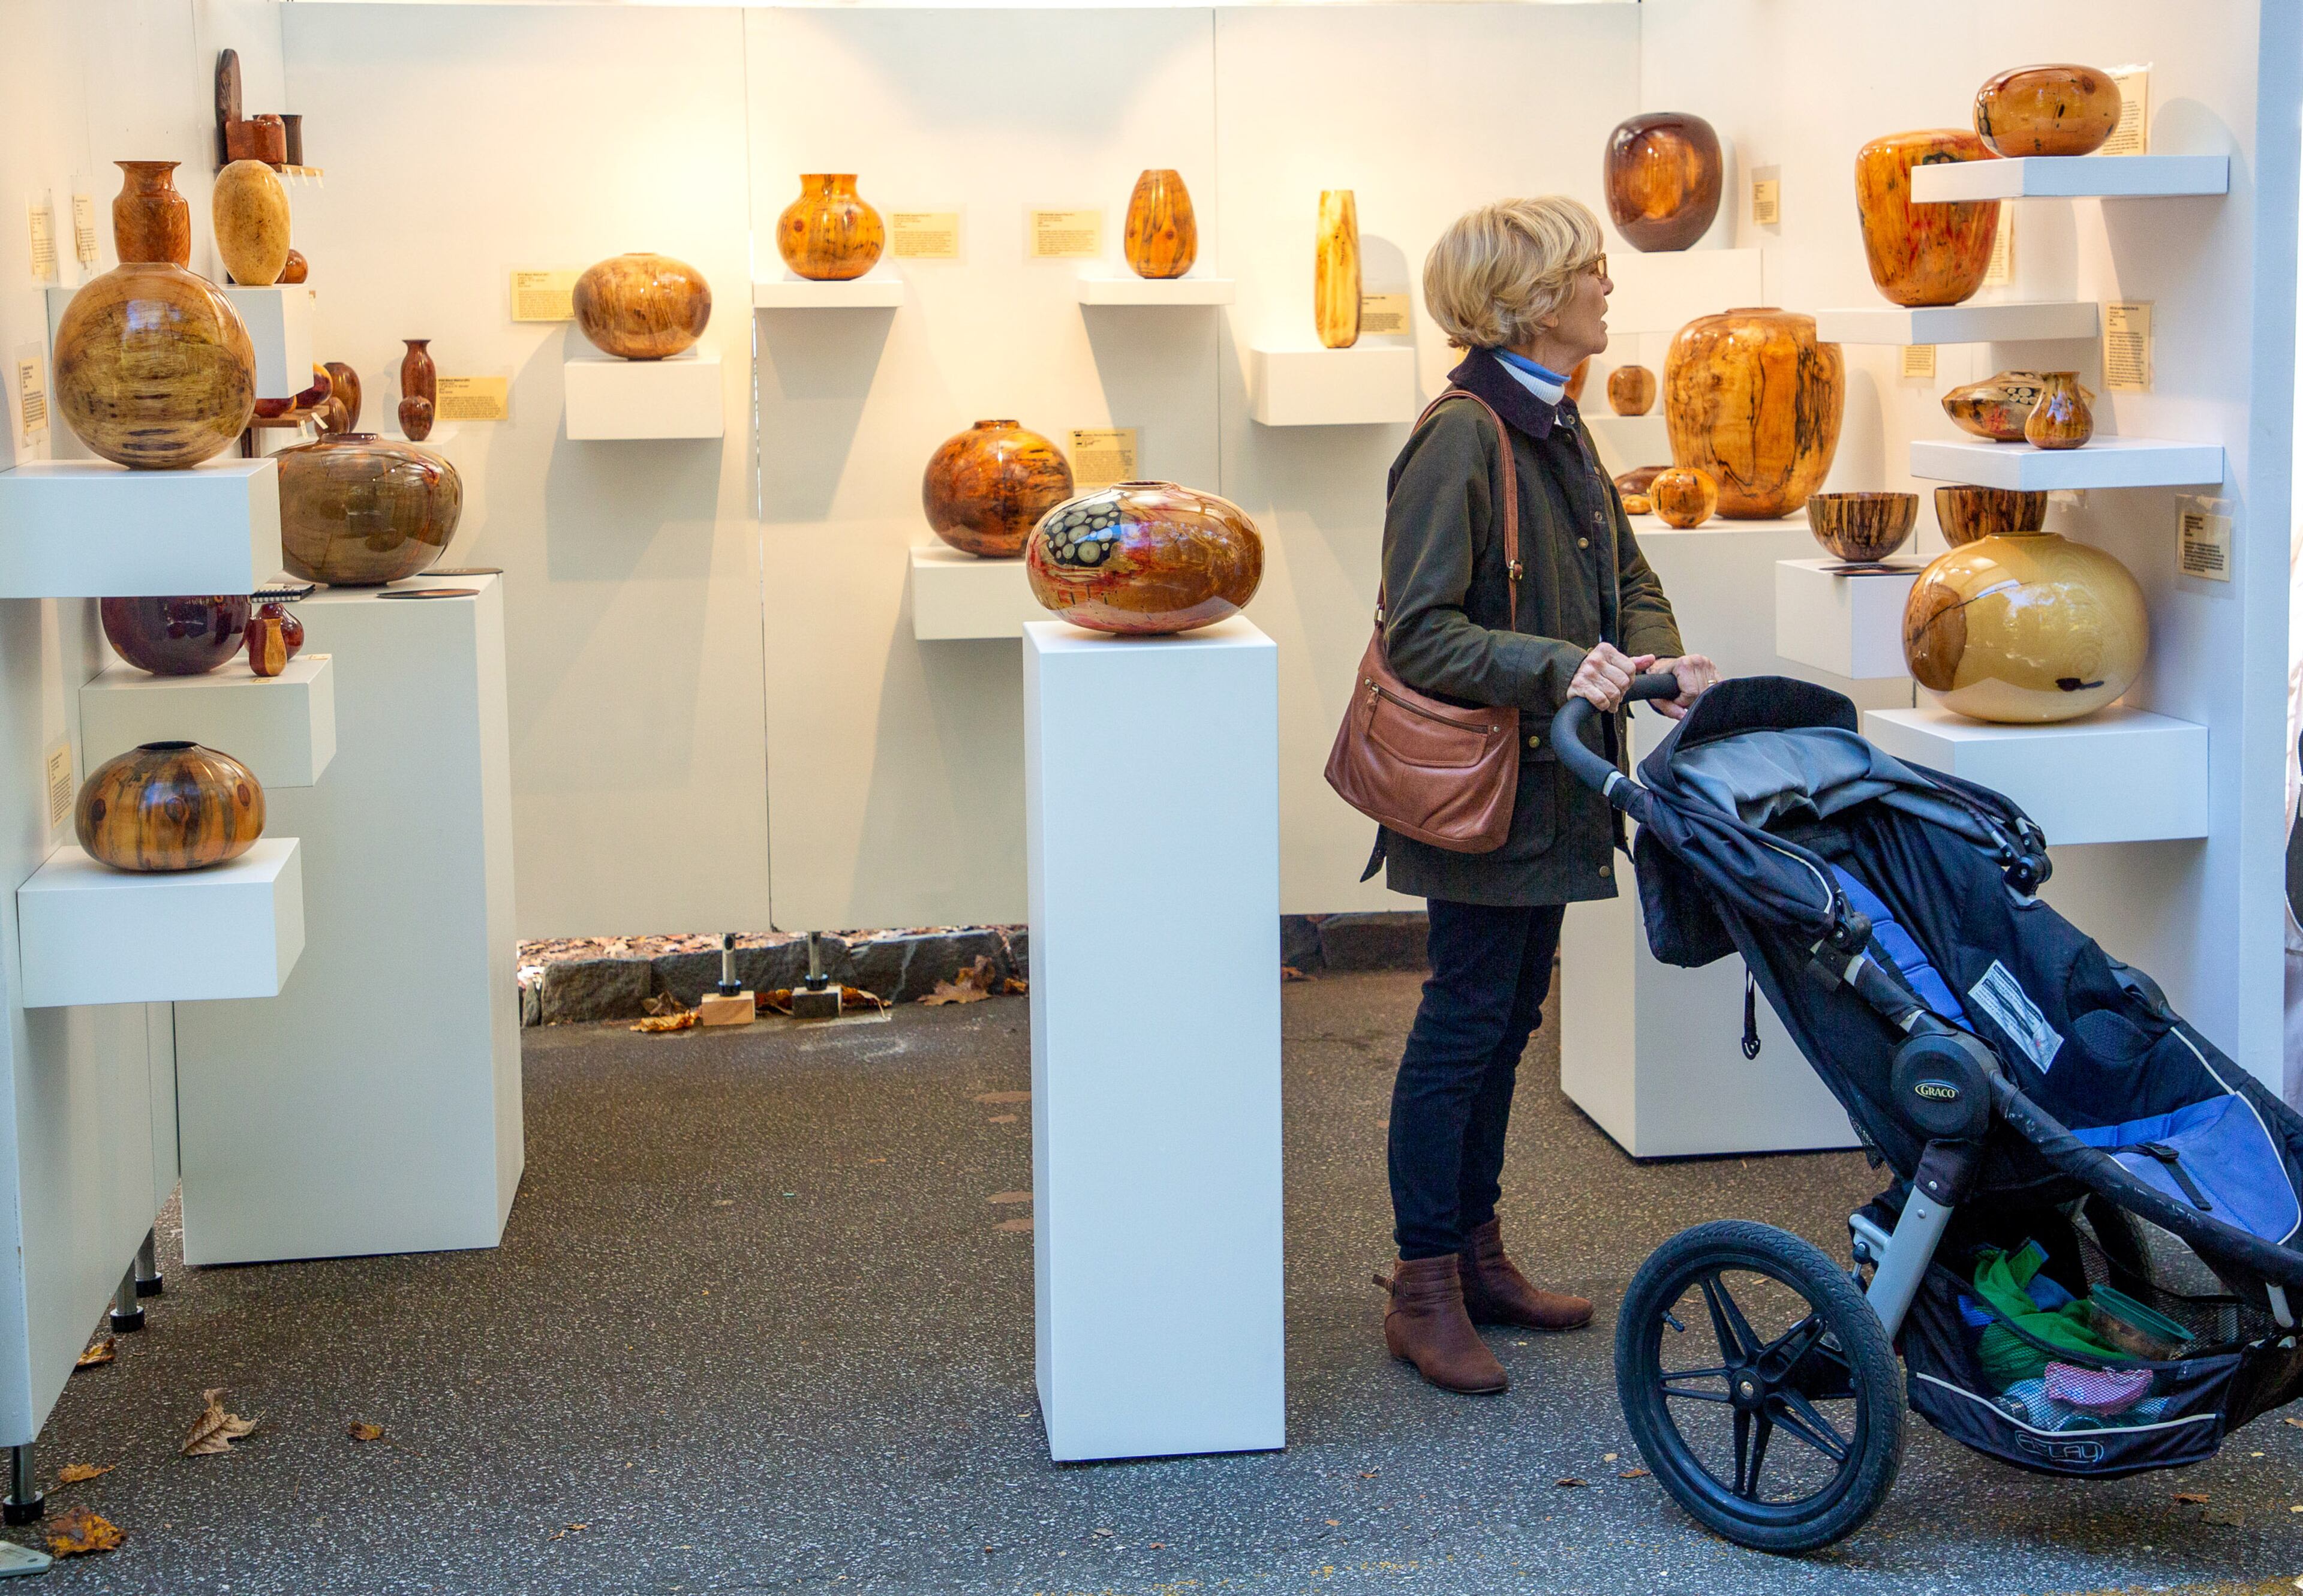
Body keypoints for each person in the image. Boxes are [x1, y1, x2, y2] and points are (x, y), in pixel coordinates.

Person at [1369, 197, 1719, 1394]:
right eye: (1587, 271)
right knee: (1466, 1021)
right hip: (1490, 790)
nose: (1607, 286)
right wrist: (1555, 667)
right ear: (1529, 300)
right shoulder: (1462, 434)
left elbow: (1625, 572)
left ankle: (1475, 1253)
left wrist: (1664, 664)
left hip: (1552, 783)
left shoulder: (1557, 423)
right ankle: (1423, 1284)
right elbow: (1421, 634)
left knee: (1509, 1016)